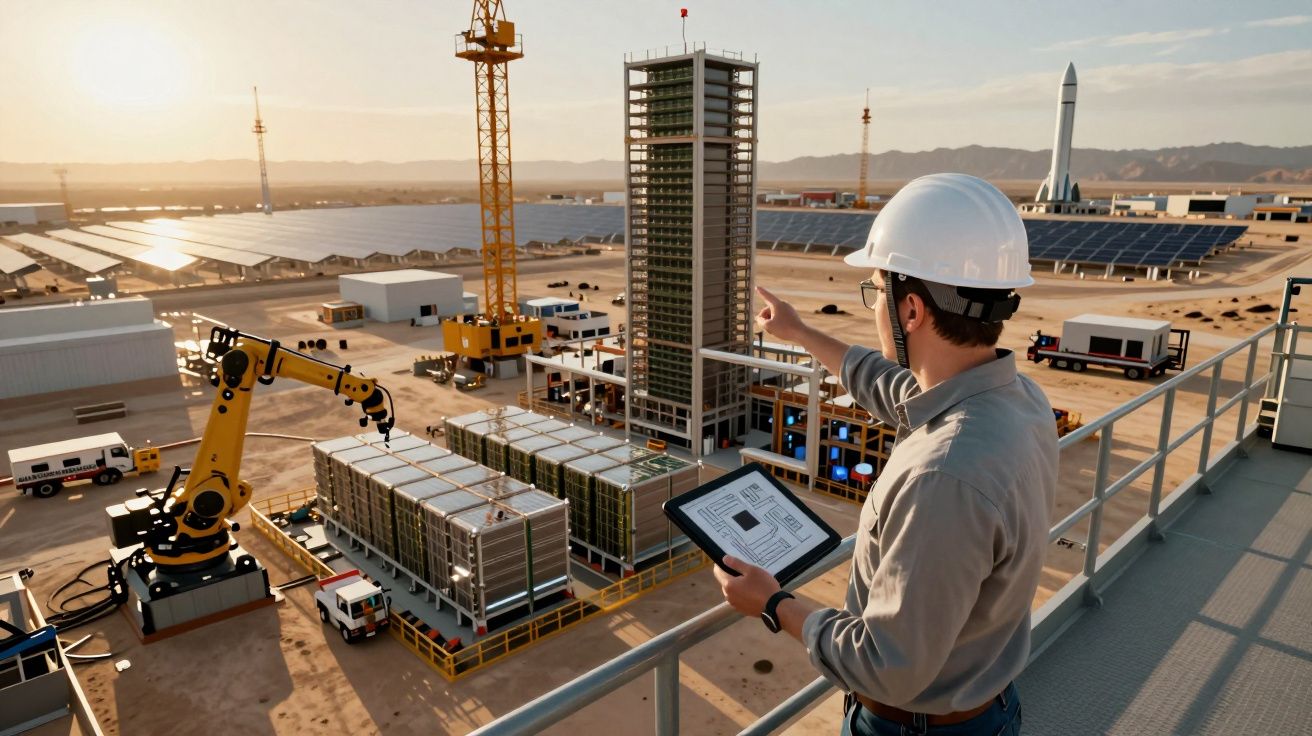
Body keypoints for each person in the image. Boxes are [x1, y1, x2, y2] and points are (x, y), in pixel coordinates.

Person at [714, 174, 1057, 736]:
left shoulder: (945, 476)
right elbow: (894, 387)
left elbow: (885, 665)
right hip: (987, 706)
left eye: (876, 290)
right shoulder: (1016, 400)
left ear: (913, 310)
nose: (874, 305)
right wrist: (800, 333)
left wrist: (774, 604)